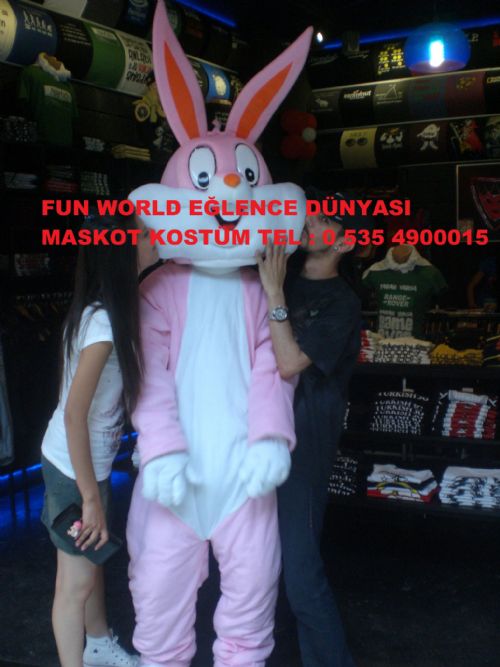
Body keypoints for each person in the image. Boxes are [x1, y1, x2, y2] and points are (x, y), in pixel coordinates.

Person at [40, 213, 158, 667]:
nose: (153, 238)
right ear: (119, 253)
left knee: (91, 564)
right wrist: (89, 497)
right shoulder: (104, 325)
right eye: (143, 234)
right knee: (74, 586)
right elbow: (74, 414)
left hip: (85, 461)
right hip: (74, 467)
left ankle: (98, 642)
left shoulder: (98, 313)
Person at [256, 186, 365, 667]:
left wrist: (274, 293)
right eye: (312, 213)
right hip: (257, 432)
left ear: (344, 242)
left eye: (324, 220)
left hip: (305, 441)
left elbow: (289, 363)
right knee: (254, 558)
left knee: (300, 571)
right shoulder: (279, 271)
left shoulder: (342, 302)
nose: (310, 220)